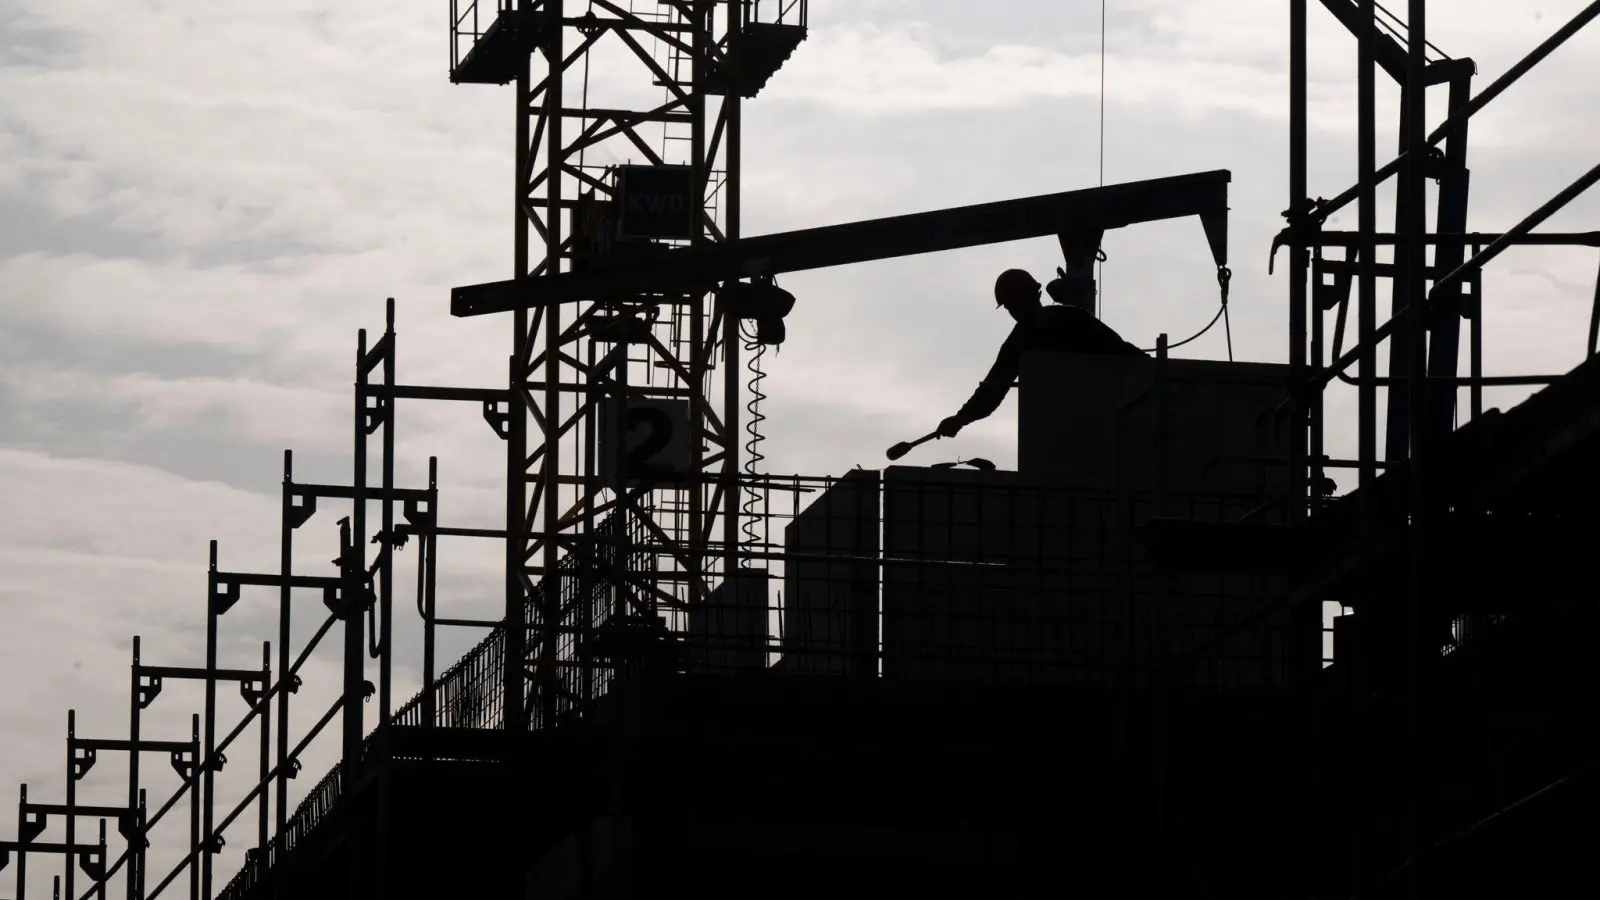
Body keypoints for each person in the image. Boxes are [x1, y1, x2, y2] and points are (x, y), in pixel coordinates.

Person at [936, 268, 1145, 438]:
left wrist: (1155, 372)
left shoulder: (1072, 321)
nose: (1014, 311)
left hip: (1096, 421)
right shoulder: (1020, 341)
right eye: (1010, 307)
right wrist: (960, 419)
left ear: (1034, 295)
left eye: (1016, 303)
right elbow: (992, 390)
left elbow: (1125, 354)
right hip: (1059, 429)